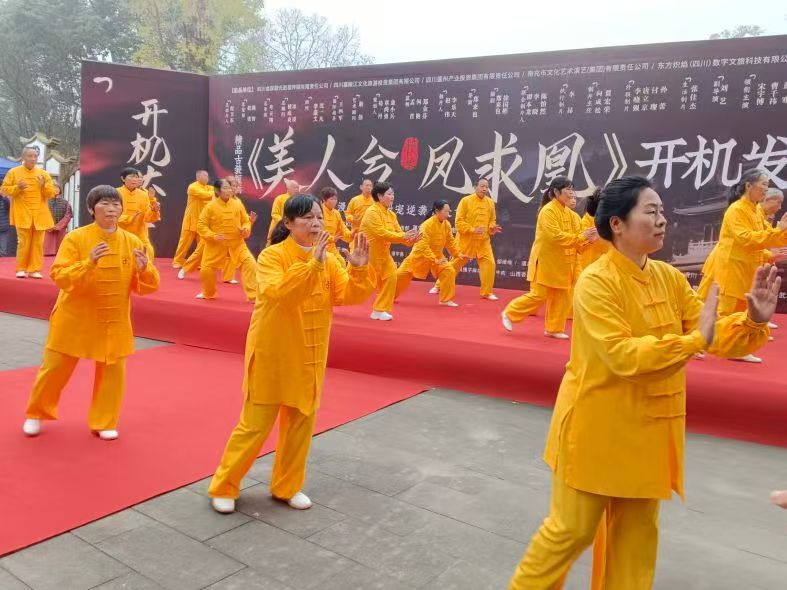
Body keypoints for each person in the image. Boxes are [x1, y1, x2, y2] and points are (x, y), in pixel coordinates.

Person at [507, 176, 776, 590]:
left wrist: (752, 320)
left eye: (662, 211)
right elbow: (622, 355)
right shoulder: (596, 281)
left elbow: (711, 332)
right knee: (570, 531)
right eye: (651, 212)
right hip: (596, 430)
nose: (662, 220)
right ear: (617, 224)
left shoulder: (669, 277)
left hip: (649, 432)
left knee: (635, 543)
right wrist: (692, 342)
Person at [208, 195, 374, 514]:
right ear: (288, 223)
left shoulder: (331, 259)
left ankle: (287, 486)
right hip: (273, 353)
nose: (315, 223)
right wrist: (314, 264)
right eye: (307, 218)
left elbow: (347, 296)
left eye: (319, 217)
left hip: (310, 355)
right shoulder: (272, 256)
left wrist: (358, 269)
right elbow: (280, 294)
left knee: (300, 425)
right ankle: (224, 485)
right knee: (254, 426)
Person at [21, 185, 160, 440]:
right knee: (54, 368)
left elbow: (147, 287)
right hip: (75, 317)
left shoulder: (133, 242)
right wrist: (89, 263)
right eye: (104, 204)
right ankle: (36, 412)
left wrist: (145, 270)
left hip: (113, 319)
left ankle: (104, 421)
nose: (111, 209)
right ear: (91, 209)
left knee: (112, 373)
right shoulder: (76, 238)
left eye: (116, 204)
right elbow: (59, 275)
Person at [702, 168, 787, 363]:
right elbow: (745, 238)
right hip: (732, 266)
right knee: (725, 310)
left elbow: (763, 239)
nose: (766, 189)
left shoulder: (755, 210)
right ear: (749, 185)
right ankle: (703, 342)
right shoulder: (736, 209)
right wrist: (777, 234)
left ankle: (735, 347)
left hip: (746, 266)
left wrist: (781, 234)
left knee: (740, 308)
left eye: (767, 184)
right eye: (763, 184)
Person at [502, 177, 597, 339]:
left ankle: (554, 329)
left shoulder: (574, 216)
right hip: (546, 261)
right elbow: (555, 237)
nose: (571, 193)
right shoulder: (547, 211)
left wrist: (590, 241)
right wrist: (582, 237)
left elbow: (578, 244)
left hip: (564, 263)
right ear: (556, 192)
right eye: (568, 189)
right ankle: (510, 313)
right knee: (539, 295)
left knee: (562, 296)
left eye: (572, 189)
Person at [359, 181, 419, 321]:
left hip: (384, 255)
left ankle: (379, 310)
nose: (392, 197)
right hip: (367, 255)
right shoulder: (372, 212)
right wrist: (403, 236)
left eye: (393, 194)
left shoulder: (391, 215)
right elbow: (380, 233)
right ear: (380, 196)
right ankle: (333, 298)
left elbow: (398, 233)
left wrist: (410, 240)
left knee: (391, 277)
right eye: (389, 194)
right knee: (362, 286)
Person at [395, 199, 468, 307]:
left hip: (437, 257)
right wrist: (435, 259)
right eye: (446, 211)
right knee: (400, 276)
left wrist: (458, 254)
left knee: (449, 271)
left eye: (449, 211)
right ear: (437, 211)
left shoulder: (447, 224)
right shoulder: (426, 225)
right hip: (419, 256)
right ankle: (388, 296)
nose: (448, 214)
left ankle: (445, 300)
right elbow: (423, 246)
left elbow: (450, 241)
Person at [195, 178, 257, 302]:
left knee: (251, 264)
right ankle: (208, 293)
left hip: (237, 244)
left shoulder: (237, 204)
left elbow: (245, 221)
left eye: (229, 187)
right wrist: (212, 235)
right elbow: (201, 225)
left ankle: (253, 296)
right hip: (216, 245)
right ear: (217, 191)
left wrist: (245, 229)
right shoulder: (210, 206)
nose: (229, 190)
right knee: (206, 270)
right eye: (225, 188)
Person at [1, 146, 56, 278]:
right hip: (22, 213)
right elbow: (4, 190)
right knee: (23, 242)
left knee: (38, 244)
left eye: (35, 156)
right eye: (30, 156)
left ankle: (34, 270)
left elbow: (52, 193)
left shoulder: (43, 174)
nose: (33, 159)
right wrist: (17, 188)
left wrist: (43, 186)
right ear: (23, 157)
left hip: (40, 215)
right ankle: (21, 268)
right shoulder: (13, 172)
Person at [446, 178, 502, 300]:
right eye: (482, 186)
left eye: (486, 187)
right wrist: (472, 229)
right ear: (475, 187)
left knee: (490, 264)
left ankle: (487, 292)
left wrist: (492, 228)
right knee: (455, 263)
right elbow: (459, 222)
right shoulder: (465, 201)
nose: (484, 189)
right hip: (466, 240)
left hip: (483, 241)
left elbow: (492, 220)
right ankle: (440, 285)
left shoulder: (490, 203)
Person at [173, 170, 213, 272]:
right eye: (205, 176)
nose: (207, 177)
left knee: (202, 244)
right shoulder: (192, 187)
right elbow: (205, 195)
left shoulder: (209, 188)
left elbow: (213, 194)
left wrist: (213, 193)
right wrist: (214, 193)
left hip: (202, 221)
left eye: (207, 176)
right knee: (184, 243)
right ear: (198, 177)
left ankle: (200, 263)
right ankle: (177, 261)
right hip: (190, 220)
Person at [117, 167, 160, 259]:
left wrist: (154, 211)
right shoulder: (115, 193)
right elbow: (112, 215)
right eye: (132, 176)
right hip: (121, 235)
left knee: (148, 255)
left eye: (137, 177)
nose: (135, 179)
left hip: (140, 236)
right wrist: (129, 218)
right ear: (123, 178)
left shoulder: (144, 195)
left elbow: (148, 218)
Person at [221, 177, 257, 285]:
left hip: (235, 237)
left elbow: (244, 218)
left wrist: (249, 222)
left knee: (236, 257)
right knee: (201, 256)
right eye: (233, 185)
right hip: (218, 236)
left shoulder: (238, 201)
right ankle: (185, 268)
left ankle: (228, 277)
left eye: (236, 186)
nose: (235, 188)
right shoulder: (219, 200)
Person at [578, 187, 611, 270]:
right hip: (591, 264)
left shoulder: (613, 218)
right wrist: (590, 240)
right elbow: (580, 244)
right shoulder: (588, 218)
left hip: (609, 264)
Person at [320, 186, 353, 262]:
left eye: (335, 199)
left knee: (341, 262)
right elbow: (317, 232)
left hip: (332, 248)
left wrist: (351, 234)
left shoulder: (336, 213)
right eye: (331, 199)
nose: (334, 201)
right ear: (324, 200)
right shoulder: (319, 212)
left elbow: (342, 228)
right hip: (319, 247)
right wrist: (331, 238)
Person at [265, 179, 301, 246]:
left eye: (298, 187)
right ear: (288, 188)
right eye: (295, 187)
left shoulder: (299, 201)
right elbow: (274, 214)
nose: (297, 189)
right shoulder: (279, 198)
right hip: (278, 229)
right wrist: (284, 223)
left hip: (292, 229)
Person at [43, 182, 72, 257]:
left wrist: (59, 226)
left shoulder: (65, 203)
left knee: (60, 253)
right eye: (53, 188)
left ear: (60, 190)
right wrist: (48, 225)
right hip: (48, 230)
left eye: (57, 188)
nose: (55, 189)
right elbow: (42, 214)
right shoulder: (45, 202)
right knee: (47, 255)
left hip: (61, 231)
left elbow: (68, 216)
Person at [0, 192, 10, 257]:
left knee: (3, 242)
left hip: (3, 226)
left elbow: (9, 206)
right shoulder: (5, 200)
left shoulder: (5, 200)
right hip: (4, 225)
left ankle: (2, 254)